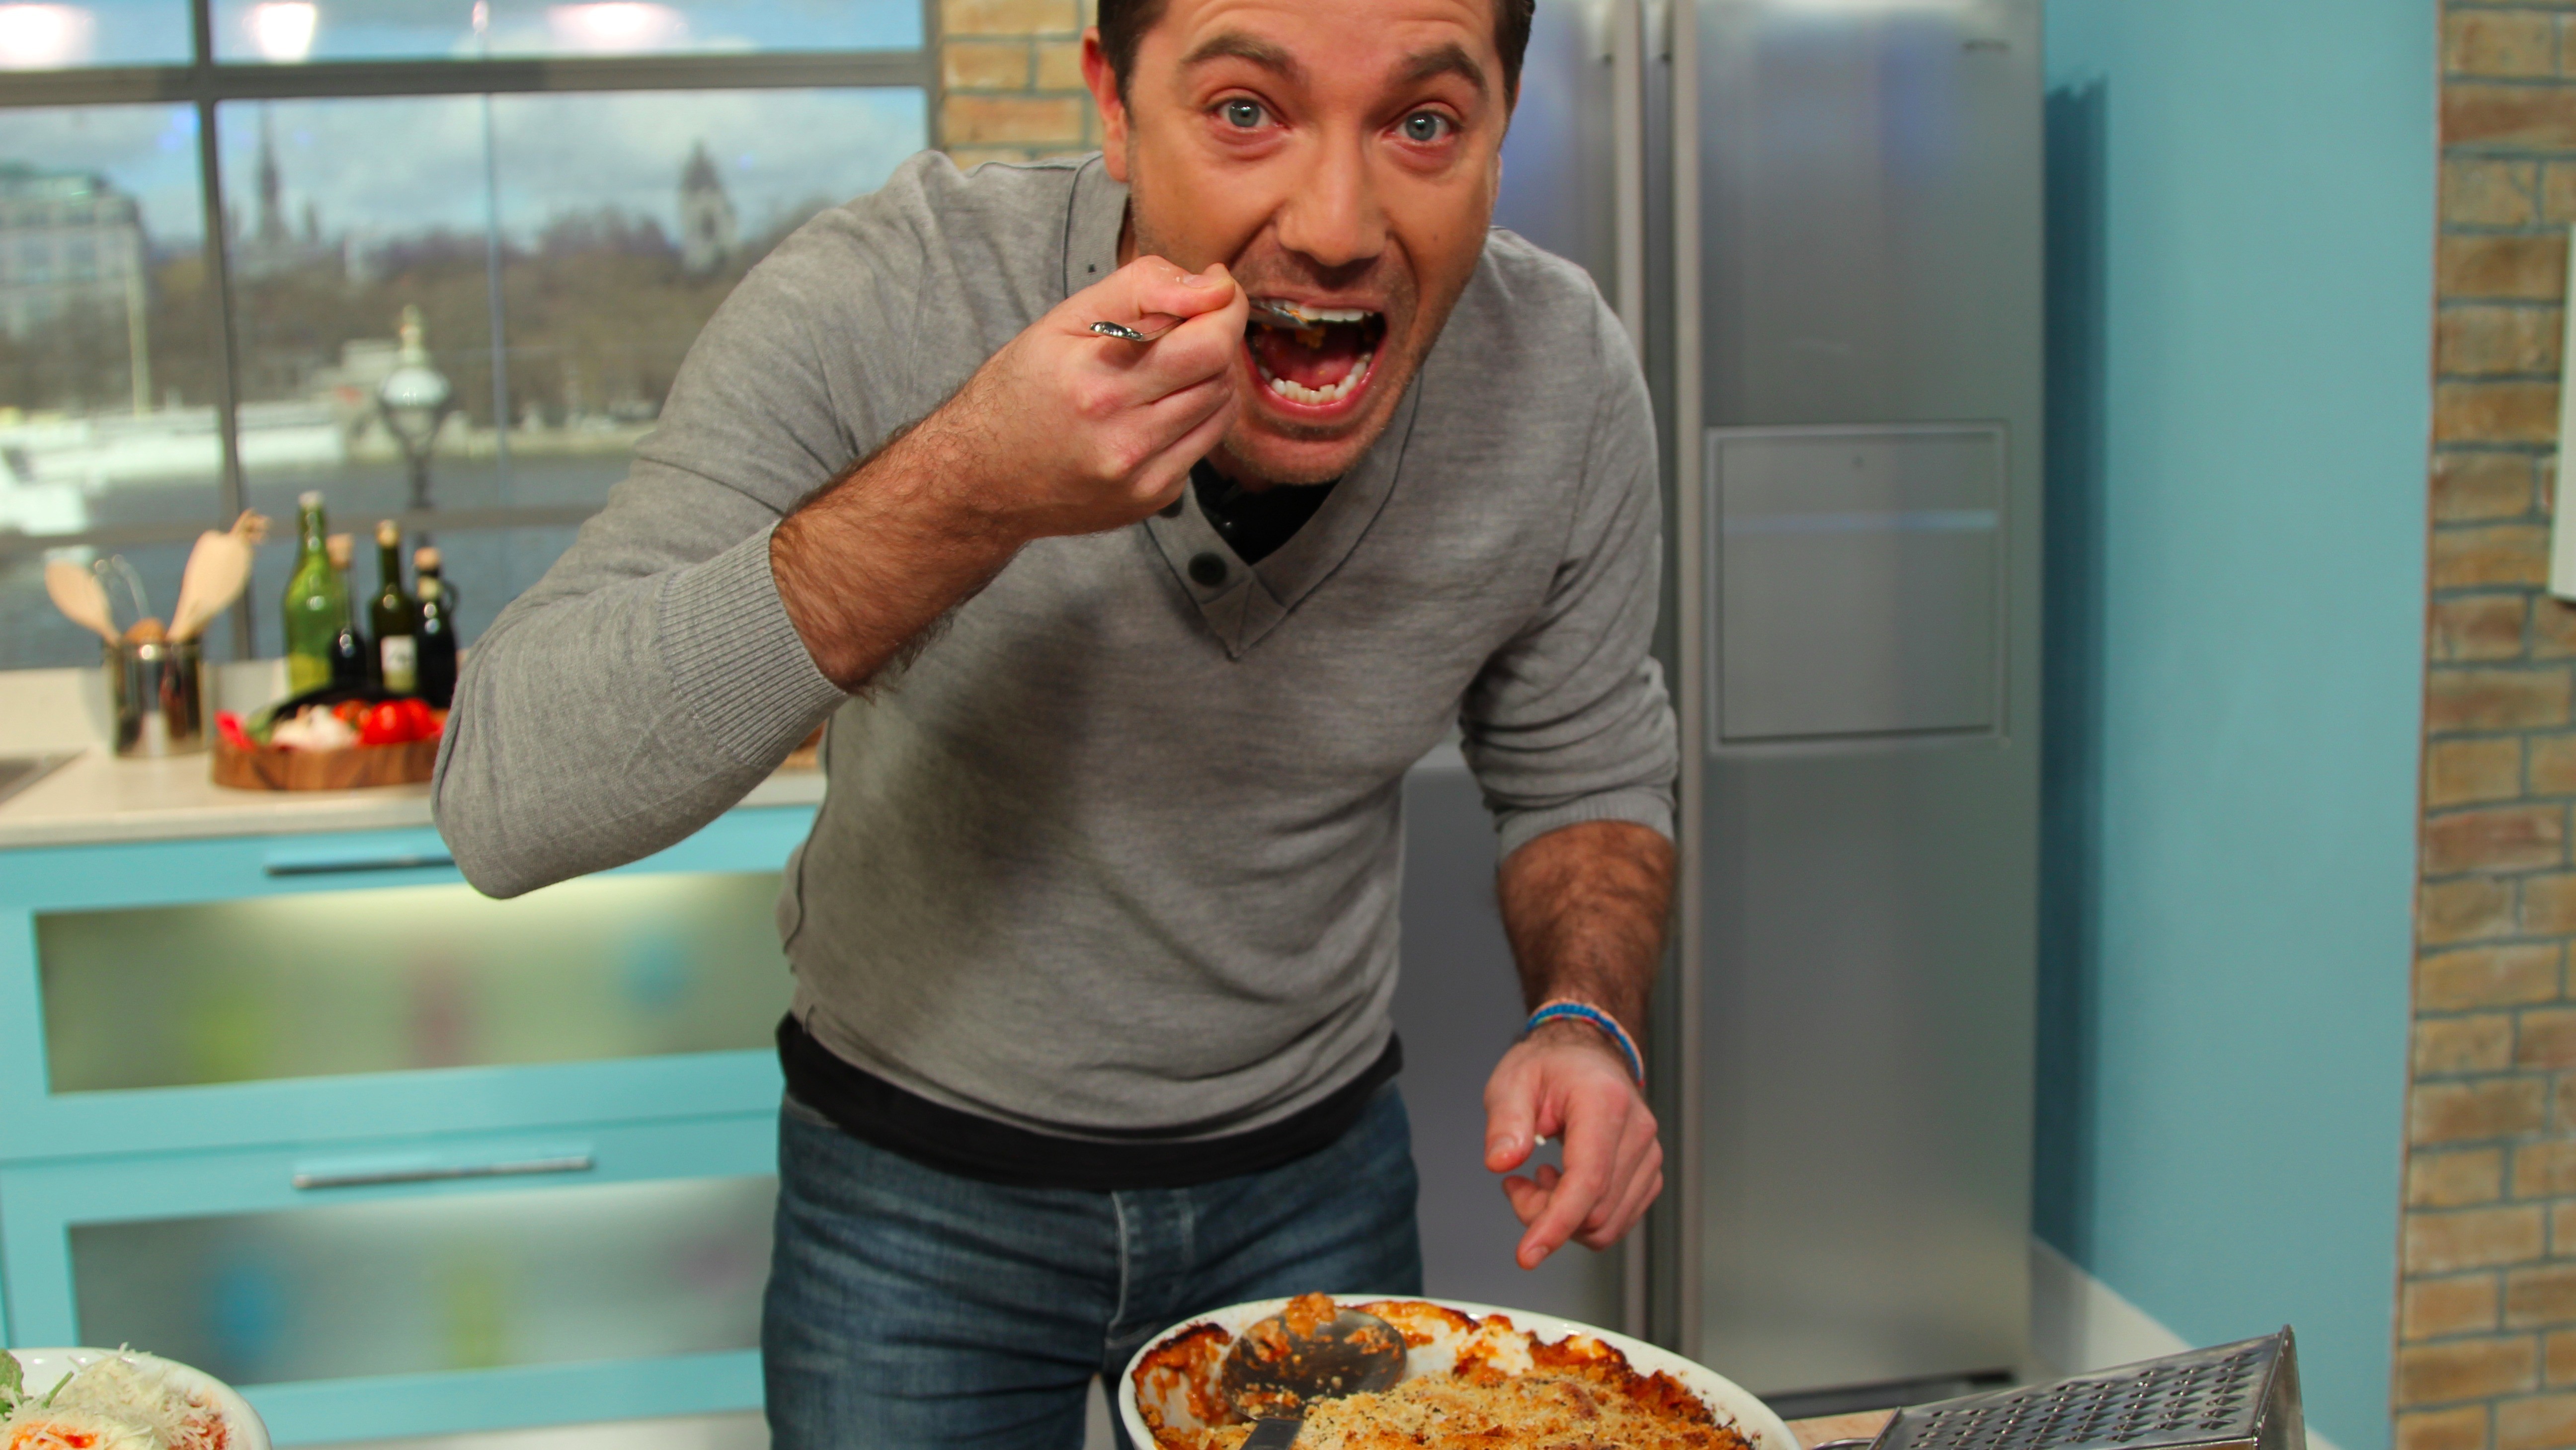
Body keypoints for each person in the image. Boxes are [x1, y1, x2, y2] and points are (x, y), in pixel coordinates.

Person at [431, 0, 1677, 1442]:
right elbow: (507, 801)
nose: (1337, 226)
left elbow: (1586, 765)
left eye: (1422, 124)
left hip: (1315, 1187)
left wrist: (1588, 1017)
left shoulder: (1562, 374)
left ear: (1501, 133)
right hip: (911, 1191)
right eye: (1246, 111)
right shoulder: (889, 290)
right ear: (1114, 103)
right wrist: (969, 487)